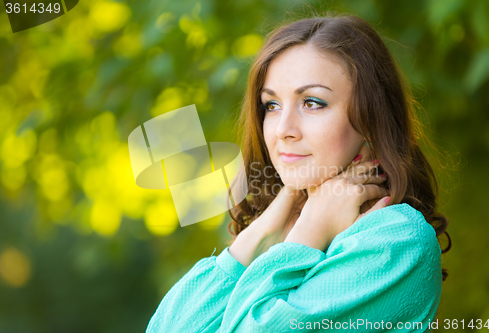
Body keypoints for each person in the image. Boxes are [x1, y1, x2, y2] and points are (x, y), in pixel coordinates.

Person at [145, 13, 451, 333]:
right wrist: (260, 234)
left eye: (313, 102)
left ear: (371, 119)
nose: (283, 130)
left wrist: (309, 233)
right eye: (271, 105)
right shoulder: (280, 228)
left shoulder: (394, 240)